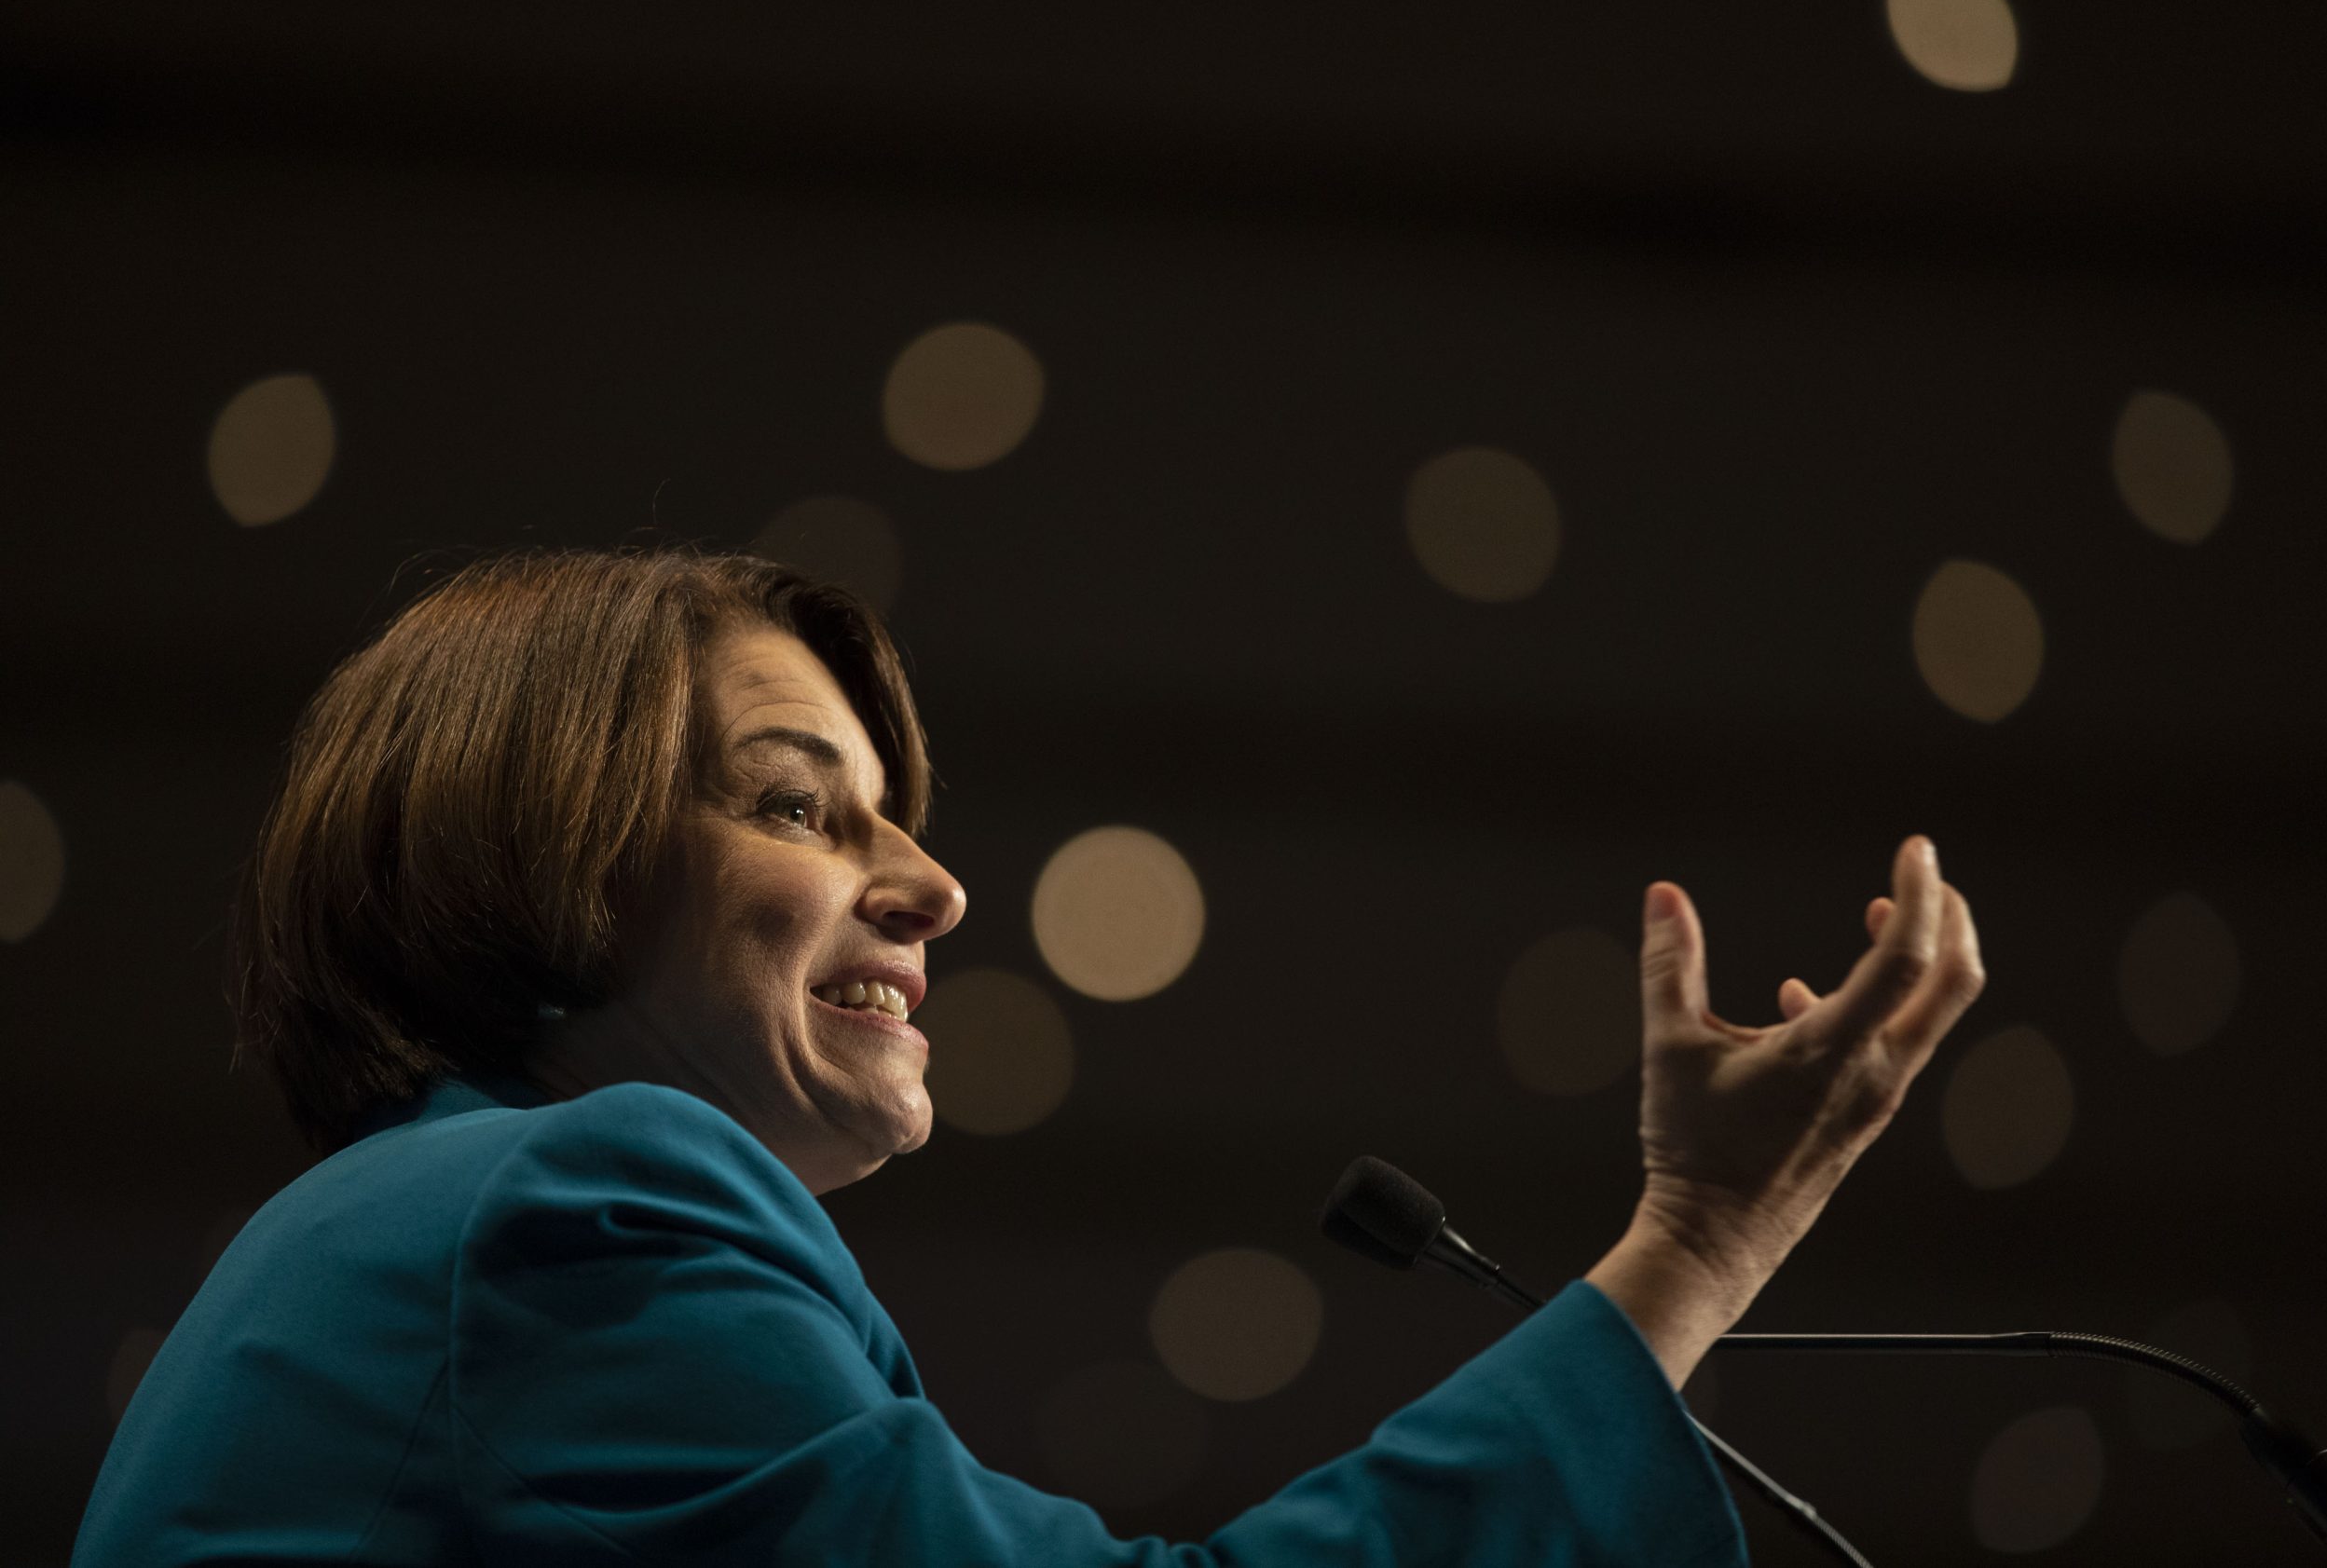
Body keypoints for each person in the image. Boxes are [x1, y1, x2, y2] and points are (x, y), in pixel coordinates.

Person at [72, 548, 1984, 1567]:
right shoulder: (583, 1200)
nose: (930, 883)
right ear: (545, 842)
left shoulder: (425, 1227)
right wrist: (1695, 1245)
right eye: (799, 806)